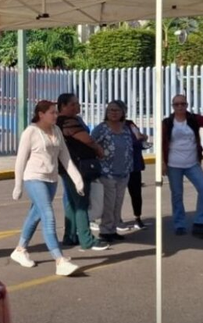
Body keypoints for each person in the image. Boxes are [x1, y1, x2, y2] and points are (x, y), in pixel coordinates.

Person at [10, 100, 85, 276]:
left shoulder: (57, 130)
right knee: (48, 215)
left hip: (51, 180)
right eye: (52, 112)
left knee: (35, 214)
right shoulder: (31, 132)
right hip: (34, 178)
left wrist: (77, 179)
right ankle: (59, 260)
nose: (55, 115)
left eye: (56, 112)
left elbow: (65, 157)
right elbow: (20, 160)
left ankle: (20, 250)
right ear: (41, 114)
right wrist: (18, 185)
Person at [56, 93, 110, 251]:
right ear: (63, 106)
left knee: (73, 203)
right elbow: (86, 139)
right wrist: (98, 149)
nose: (77, 106)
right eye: (73, 104)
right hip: (77, 167)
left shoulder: (62, 122)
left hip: (68, 166)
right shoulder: (68, 122)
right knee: (81, 203)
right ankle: (87, 239)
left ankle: (70, 235)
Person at [162, 94, 203, 236]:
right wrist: (162, 163)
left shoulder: (192, 119)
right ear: (173, 106)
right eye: (177, 104)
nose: (180, 107)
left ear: (187, 105)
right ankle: (179, 224)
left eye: (183, 104)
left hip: (192, 162)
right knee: (177, 194)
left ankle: (200, 220)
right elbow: (162, 143)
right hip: (173, 164)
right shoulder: (167, 122)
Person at [90, 100, 137, 242]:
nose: (113, 113)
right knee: (109, 203)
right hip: (107, 172)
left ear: (123, 112)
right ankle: (105, 230)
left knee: (118, 203)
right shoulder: (101, 129)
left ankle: (113, 228)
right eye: (110, 110)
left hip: (124, 171)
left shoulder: (126, 128)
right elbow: (91, 143)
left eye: (117, 110)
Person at [122, 116, 149, 231]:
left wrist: (143, 137)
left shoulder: (130, 124)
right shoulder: (107, 127)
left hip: (134, 164)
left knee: (136, 193)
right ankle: (116, 219)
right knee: (116, 195)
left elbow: (139, 138)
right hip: (119, 166)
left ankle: (137, 218)